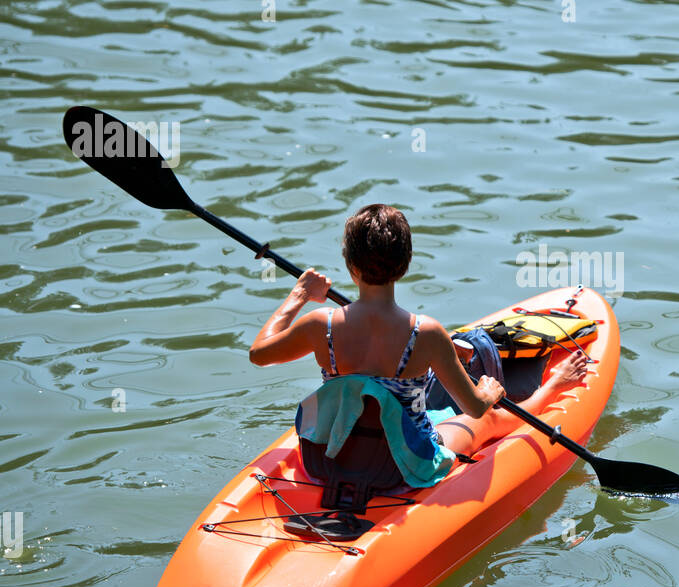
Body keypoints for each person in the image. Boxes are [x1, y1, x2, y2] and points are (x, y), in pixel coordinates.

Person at [247, 204, 588, 481]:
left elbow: (259, 354)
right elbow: (474, 406)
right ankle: (555, 385)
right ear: (405, 264)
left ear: (351, 266)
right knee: (488, 420)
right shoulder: (426, 334)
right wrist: (490, 390)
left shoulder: (321, 325)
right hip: (400, 467)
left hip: (330, 458)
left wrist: (300, 295)